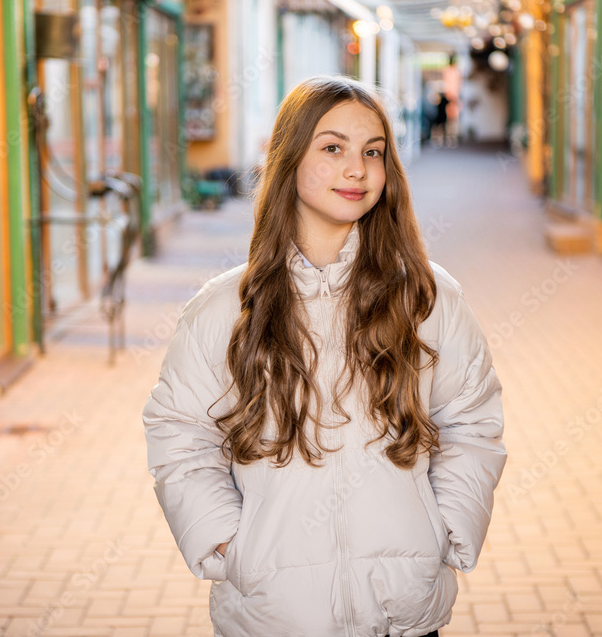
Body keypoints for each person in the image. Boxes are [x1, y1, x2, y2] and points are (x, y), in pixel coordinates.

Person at [142, 75, 506, 637]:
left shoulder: (427, 298)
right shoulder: (223, 308)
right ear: (289, 159)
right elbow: (181, 434)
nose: (357, 169)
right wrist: (229, 544)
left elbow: (471, 421)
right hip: (271, 618)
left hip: (402, 616)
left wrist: (445, 531)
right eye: (333, 148)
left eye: (373, 152)